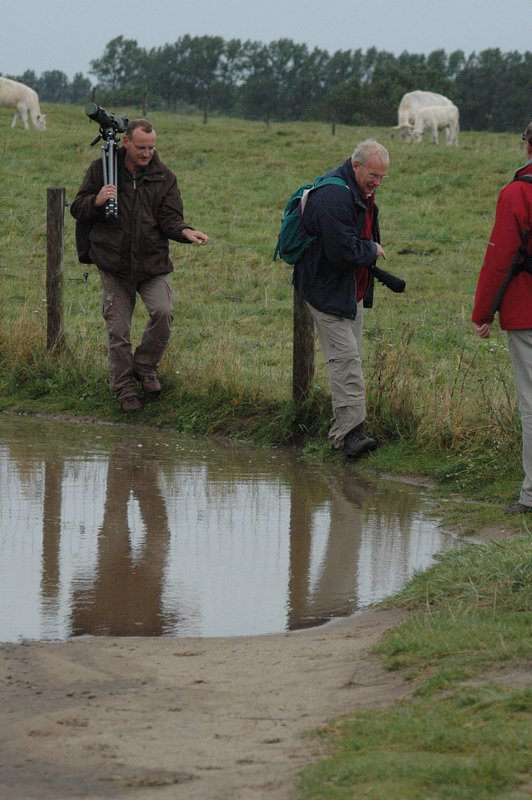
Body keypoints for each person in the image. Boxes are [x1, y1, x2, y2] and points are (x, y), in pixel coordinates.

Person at [70, 118, 209, 413]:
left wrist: (186, 232)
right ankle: (124, 389)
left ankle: (144, 368)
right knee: (118, 330)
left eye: (152, 147)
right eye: (142, 147)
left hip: (151, 264)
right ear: (127, 143)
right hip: (114, 265)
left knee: (163, 311)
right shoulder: (102, 169)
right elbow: (77, 208)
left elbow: (170, 220)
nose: (147, 153)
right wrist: (97, 200)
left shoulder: (164, 177)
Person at [293, 139, 390, 458]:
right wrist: (372, 250)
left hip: (350, 290)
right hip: (327, 290)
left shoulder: (361, 191)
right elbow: (342, 251)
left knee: (351, 360)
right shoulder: (335, 195)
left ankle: (345, 427)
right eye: (373, 175)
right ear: (356, 165)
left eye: (382, 177)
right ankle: (349, 436)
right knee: (346, 361)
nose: (376, 183)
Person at [471, 122, 532, 514]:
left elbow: (500, 258)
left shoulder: (517, 193)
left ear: (527, 145)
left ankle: (531, 496)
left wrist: (483, 313)